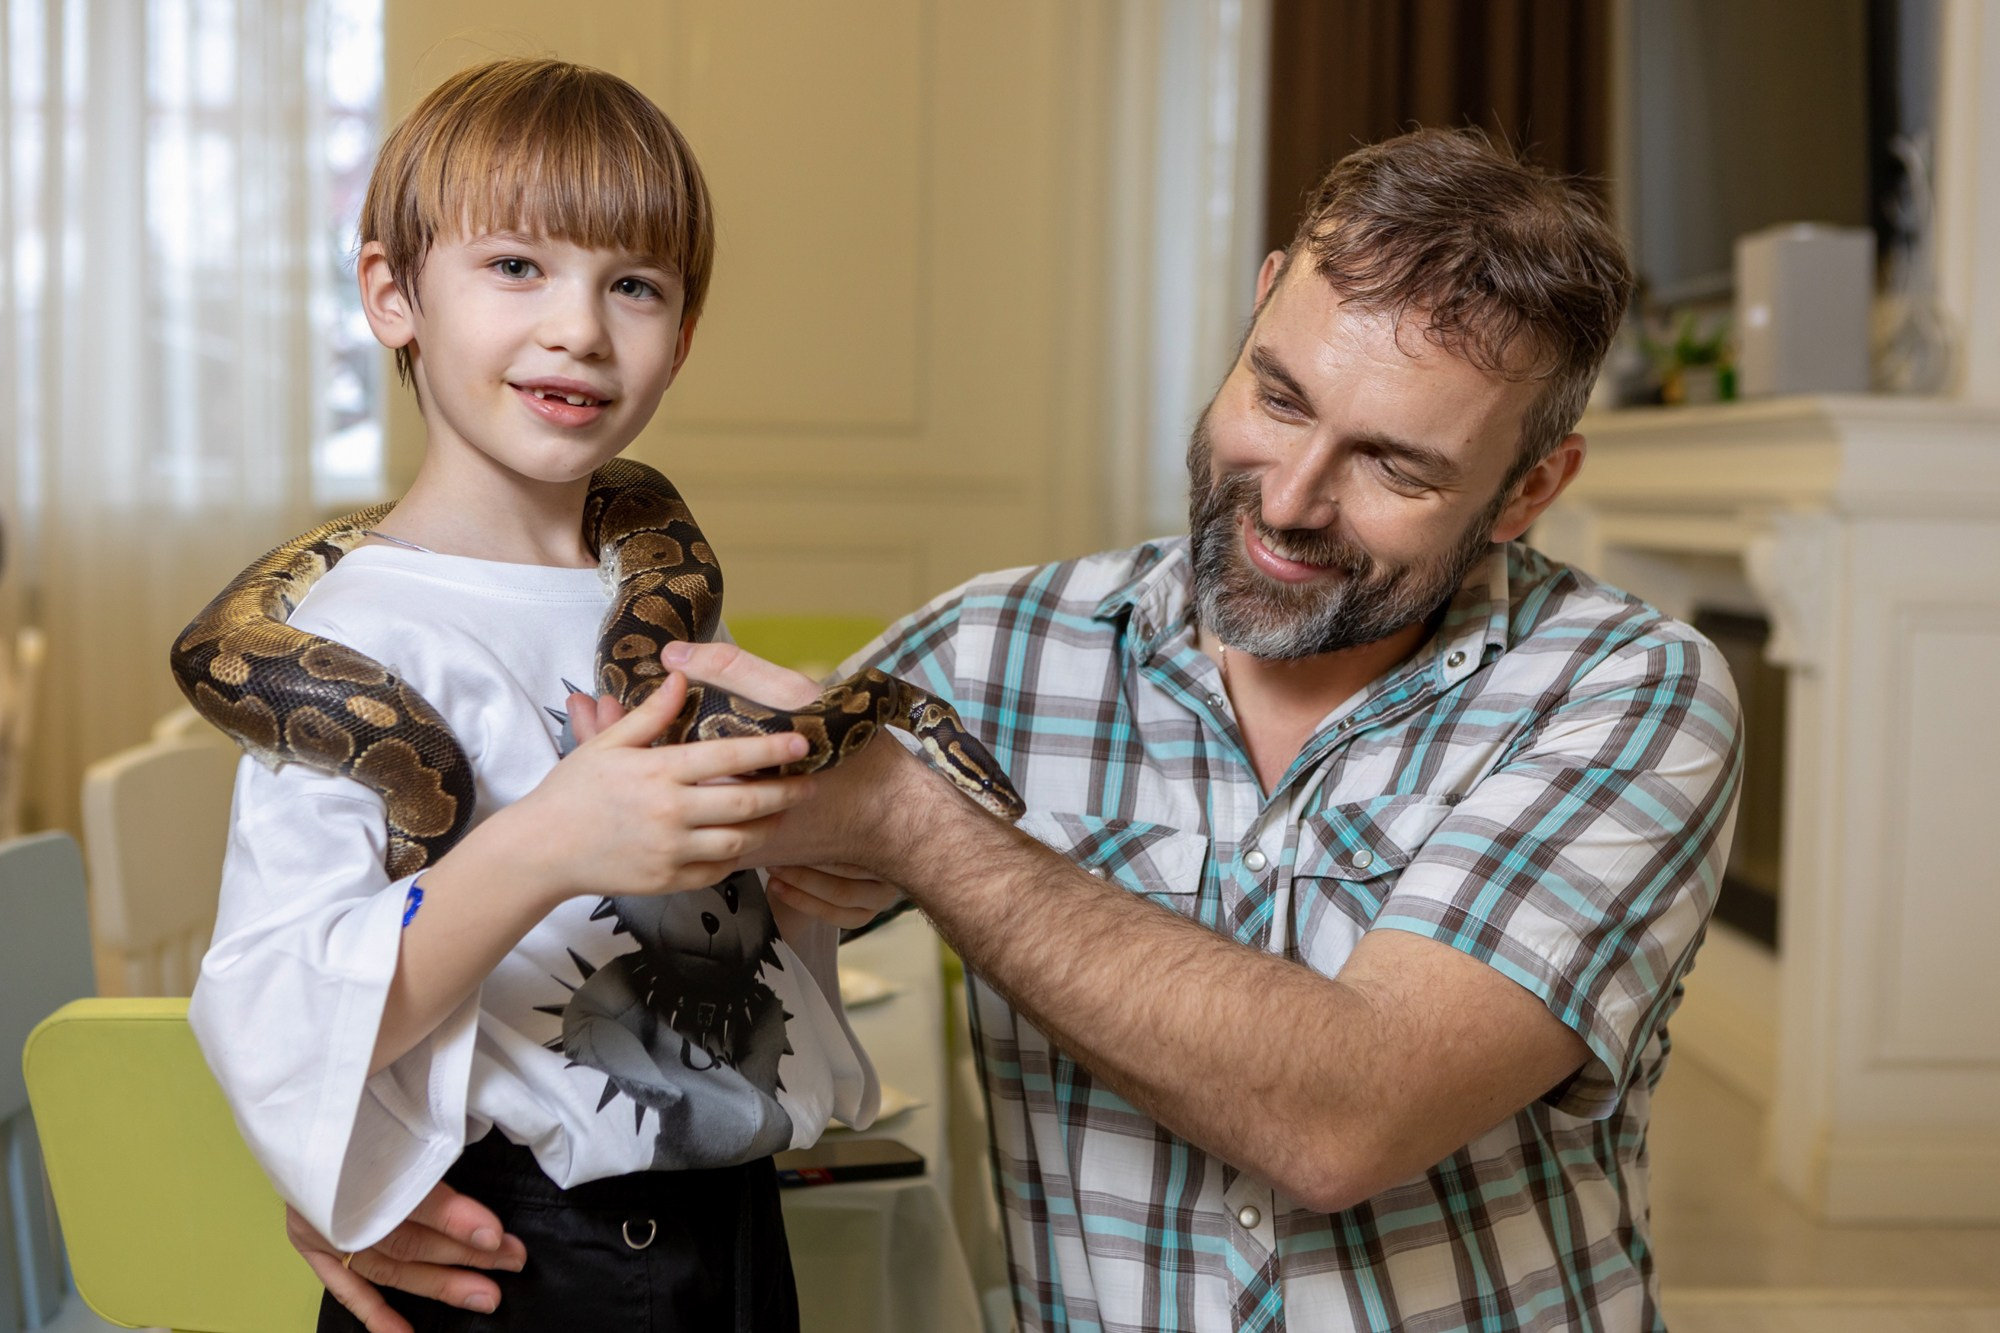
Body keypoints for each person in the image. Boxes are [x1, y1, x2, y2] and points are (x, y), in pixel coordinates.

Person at [339, 127, 1740, 1329]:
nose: (1290, 497)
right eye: (1278, 395)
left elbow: (1347, 1118)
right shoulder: (987, 649)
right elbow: (561, 888)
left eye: (1392, 465)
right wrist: (349, 1154)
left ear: (1528, 489)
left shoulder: (1629, 693)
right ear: (1260, 303)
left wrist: (916, 828)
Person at [188, 59, 878, 1333]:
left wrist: (805, 877)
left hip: (734, 1229)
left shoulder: (664, 600)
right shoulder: (350, 635)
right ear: (392, 294)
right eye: (516, 266)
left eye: (634, 285)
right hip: (521, 1252)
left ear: (683, 334)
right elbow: (282, 1009)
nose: (579, 328)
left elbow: (714, 929)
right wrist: (549, 841)